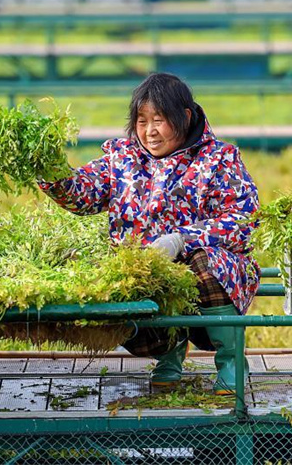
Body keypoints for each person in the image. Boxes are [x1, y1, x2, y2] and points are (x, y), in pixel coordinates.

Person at [38, 72, 260, 394]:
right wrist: (49, 170)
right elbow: (82, 194)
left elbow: (244, 218)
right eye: (142, 121)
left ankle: (231, 362)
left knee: (203, 263)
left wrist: (181, 240)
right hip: (147, 269)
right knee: (129, 279)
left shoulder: (218, 159)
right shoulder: (121, 158)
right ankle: (168, 355)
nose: (149, 131)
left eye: (159, 120)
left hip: (208, 274)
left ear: (185, 117)